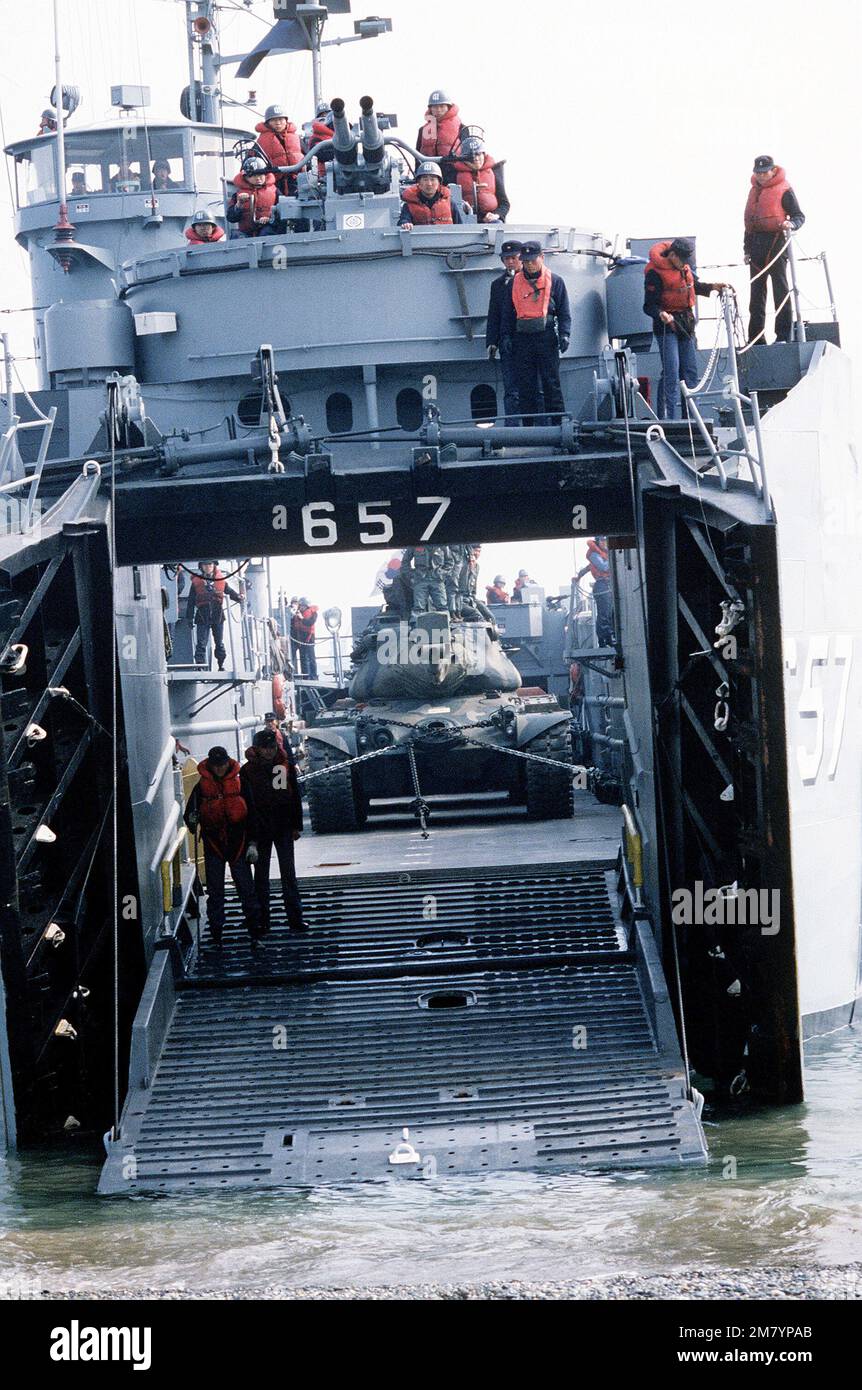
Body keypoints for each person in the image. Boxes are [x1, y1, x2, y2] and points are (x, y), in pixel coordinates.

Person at [184, 746, 262, 944]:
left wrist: (253, 843)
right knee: (215, 892)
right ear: (210, 765)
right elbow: (189, 814)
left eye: (222, 765)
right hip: (214, 844)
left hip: (239, 844)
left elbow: (252, 814)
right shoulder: (201, 788)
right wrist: (192, 820)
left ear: (228, 762)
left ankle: (255, 932)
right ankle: (217, 934)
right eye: (216, 766)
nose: (219, 769)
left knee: (247, 890)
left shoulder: (242, 783)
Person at [643, 239, 727, 420]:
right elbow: (648, 306)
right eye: (683, 259)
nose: (685, 264)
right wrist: (661, 314)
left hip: (685, 324)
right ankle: (670, 419)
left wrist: (713, 287)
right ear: (672, 255)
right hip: (667, 326)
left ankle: (692, 419)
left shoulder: (683, 268)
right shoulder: (655, 274)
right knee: (671, 372)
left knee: (690, 372)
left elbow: (693, 285)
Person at [241, 730, 308, 935]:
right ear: (257, 749)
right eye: (265, 748)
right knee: (261, 877)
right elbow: (246, 805)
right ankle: (263, 922)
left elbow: (292, 796)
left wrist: (296, 825)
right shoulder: (248, 771)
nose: (269, 752)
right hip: (260, 828)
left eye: (272, 747)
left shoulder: (283, 766)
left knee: (289, 874)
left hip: (282, 827)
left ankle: (295, 919)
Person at [498, 242, 571, 425]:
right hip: (522, 338)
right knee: (526, 385)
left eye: (532, 260)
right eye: (526, 261)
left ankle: (558, 425)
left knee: (551, 383)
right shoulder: (513, 284)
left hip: (546, 337)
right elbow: (507, 313)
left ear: (542, 258)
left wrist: (564, 334)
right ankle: (529, 427)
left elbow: (564, 312)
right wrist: (505, 335)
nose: (529, 264)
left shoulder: (555, 281)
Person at [744, 155, 805, 346]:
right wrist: (746, 249)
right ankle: (756, 337)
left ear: (772, 171)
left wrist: (791, 224)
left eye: (764, 172)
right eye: (758, 173)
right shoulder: (754, 191)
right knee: (756, 293)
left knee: (781, 289)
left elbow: (799, 216)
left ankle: (783, 334)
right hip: (756, 244)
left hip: (776, 241)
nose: (761, 176)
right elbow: (749, 224)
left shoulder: (784, 189)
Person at [487, 239, 525, 423]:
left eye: (514, 257)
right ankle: (513, 429)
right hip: (508, 341)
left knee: (536, 386)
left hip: (531, 339)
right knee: (511, 388)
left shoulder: (535, 281)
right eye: (506, 258)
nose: (510, 262)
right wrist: (492, 342)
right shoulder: (498, 285)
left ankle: (541, 428)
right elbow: (494, 313)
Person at [184, 560, 242, 670]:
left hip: (218, 615)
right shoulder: (196, 582)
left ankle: (221, 664)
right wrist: (189, 618)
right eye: (205, 565)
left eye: (210, 564)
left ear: (214, 566)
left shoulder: (220, 580)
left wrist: (239, 598)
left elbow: (229, 591)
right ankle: (200, 665)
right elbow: (191, 601)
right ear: (201, 567)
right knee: (201, 643)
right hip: (202, 615)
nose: (208, 567)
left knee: (219, 643)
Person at [451, 137, 509, 223]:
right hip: (463, 221)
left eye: (479, 154)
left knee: (497, 224)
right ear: (463, 158)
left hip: (489, 221)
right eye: (470, 156)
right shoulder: (453, 173)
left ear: (484, 154)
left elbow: (505, 204)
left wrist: (496, 215)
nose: (476, 159)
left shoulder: (494, 172)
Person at [416, 89, 471, 179]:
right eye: (434, 107)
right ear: (430, 109)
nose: (438, 110)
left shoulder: (462, 128)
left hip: (454, 175)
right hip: (430, 177)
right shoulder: (423, 130)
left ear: (448, 107)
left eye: (442, 106)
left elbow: (468, 157)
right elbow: (417, 156)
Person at [226, 156, 280, 238]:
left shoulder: (275, 191)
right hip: (246, 233)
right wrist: (239, 204)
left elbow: (283, 212)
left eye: (261, 174)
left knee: (267, 232)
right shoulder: (238, 195)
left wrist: (269, 219)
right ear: (245, 177)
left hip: (268, 229)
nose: (258, 178)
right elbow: (231, 218)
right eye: (254, 175)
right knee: (235, 236)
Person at [398, 161, 463, 228]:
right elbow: (403, 221)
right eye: (425, 179)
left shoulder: (450, 204)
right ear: (419, 183)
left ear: (439, 183)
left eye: (432, 179)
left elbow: (460, 227)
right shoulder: (408, 206)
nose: (429, 184)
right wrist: (405, 224)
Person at [254, 105, 302, 194]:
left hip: (297, 181)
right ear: (268, 122)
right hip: (274, 183)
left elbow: (308, 155)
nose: (278, 123)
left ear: (286, 121)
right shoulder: (260, 142)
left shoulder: (297, 138)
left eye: (281, 119)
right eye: (274, 120)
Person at [577, 536, 614, 648]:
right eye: (602, 541)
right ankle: (604, 640)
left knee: (608, 613)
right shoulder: (594, 554)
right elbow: (603, 567)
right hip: (602, 585)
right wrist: (612, 559)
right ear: (598, 542)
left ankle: (607, 638)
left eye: (605, 540)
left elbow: (589, 567)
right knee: (604, 614)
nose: (604, 543)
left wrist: (579, 575)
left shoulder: (601, 553)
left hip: (607, 585)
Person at [403, 545, 449, 612]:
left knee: (442, 606)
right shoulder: (415, 544)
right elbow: (405, 562)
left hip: (437, 579)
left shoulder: (442, 545)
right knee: (418, 608)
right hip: (420, 579)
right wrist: (412, 575)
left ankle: (443, 621)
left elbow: (450, 562)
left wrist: (442, 573)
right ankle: (417, 622)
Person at [290, 598, 319, 678]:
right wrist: (293, 615)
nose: (301, 607)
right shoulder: (297, 613)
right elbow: (293, 625)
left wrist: (301, 618)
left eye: (302, 606)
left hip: (309, 637)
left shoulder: (313, 613)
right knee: (303, 658)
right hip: (300, 638)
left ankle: (313, 676)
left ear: (306, 606)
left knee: (311, 657)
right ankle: (305, 676)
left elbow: (310, 623)